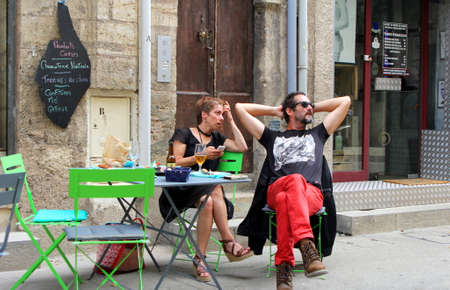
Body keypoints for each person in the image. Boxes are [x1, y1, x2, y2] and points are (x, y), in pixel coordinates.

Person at [235, 92, 350, 290]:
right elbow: (239, 108)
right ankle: (306, 245)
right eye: (303, 104)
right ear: (289, 110)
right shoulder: (272, 137)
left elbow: (345, 101)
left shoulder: (318, 134)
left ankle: (284, 268)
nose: (309, 108)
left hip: (310, 194)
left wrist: (313, 105)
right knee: (293, 181)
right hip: (277, 186)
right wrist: (274, 111)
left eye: (310, 105)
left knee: (284, 199)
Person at [159, 96, 253, 282]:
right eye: (217, 114)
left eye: (222, 115)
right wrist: (201, 155)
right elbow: (173, 162)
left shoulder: (217, 138)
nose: (221, 118)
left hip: (204, 192)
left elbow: (242, 146)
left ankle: (199, 258)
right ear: (204, 115)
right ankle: (228, 242)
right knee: (215, 187)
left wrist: (231, 119)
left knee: (208, 200)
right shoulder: (184, 134)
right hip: (179, 189)